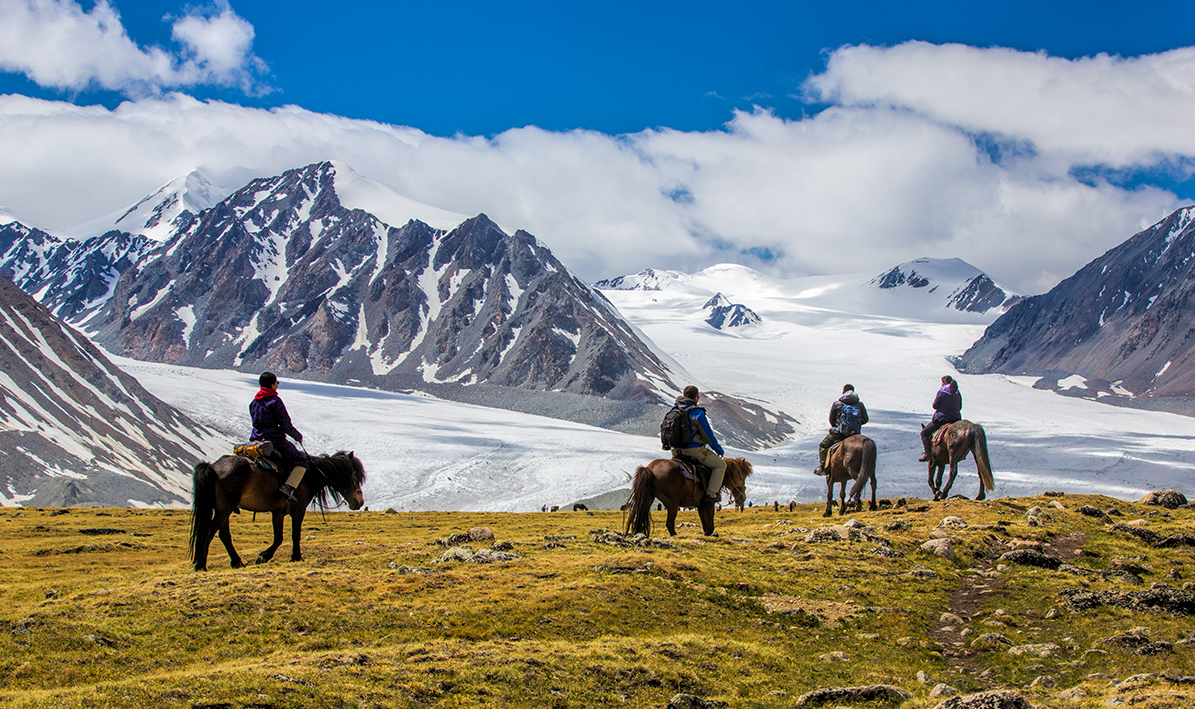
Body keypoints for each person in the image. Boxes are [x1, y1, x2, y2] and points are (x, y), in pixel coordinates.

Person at [250, 371, 308, 501]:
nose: (277, 385)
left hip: (256, 439)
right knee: (301, 460)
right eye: (277, 383)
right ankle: (288, 487)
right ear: (272, 384)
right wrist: (297, 436)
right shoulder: (275, 401)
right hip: (274, 439)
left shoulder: (254, 402)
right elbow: (285, 424)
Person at [670, 385, 727, 505]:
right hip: (694, 451)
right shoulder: (697, 413)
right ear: (696, 398)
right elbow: (708, 435)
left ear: (684, 395)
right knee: (720, 465)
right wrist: (718, 450)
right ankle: (710, 495)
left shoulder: (674, 411)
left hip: (675, 451)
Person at [814, 384, 869, 475]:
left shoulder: (837, 404)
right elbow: (865, 419)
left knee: (823, 445)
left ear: (843, 392)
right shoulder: (859, 404)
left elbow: (831, 420)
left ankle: (823, 468)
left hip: (839, 433)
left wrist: (839, 428)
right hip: (854, 434)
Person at [920, 375, 962, 462]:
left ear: (944, 382)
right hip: (955, 419)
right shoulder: (957, 392)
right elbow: (960, 407)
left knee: (924, 433)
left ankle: (928, 454)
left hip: (942, 419)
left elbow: (935, 406)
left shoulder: (942, 391)